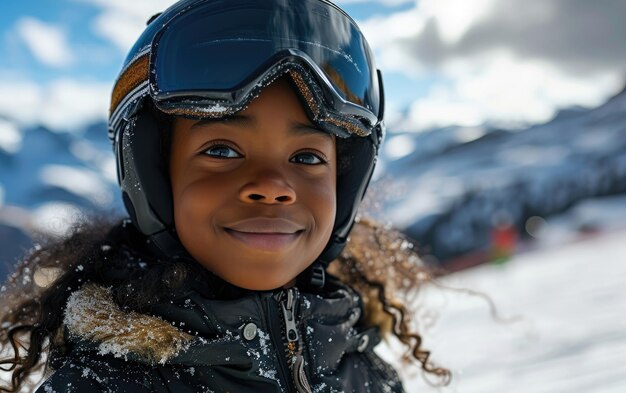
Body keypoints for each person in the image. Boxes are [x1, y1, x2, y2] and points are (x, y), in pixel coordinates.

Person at [0, 0, 451, 391]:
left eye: (308, 157)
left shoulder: (366, 371)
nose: (273, 187)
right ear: (155, 179)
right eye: (222, 150)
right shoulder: (101, 385)